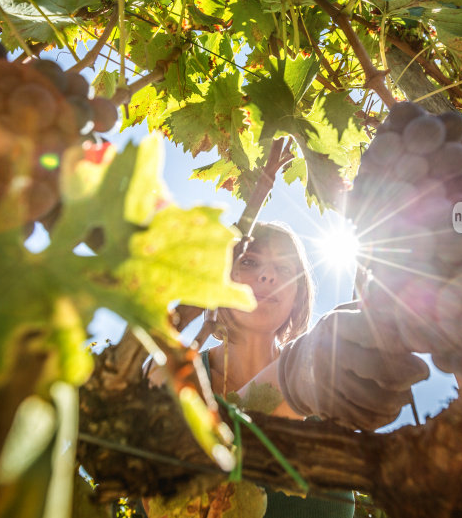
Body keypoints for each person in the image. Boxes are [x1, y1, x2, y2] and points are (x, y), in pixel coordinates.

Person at [145, 221, 356, 517]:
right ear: (219, 279)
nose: (268, 275)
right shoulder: (168, 370)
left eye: (284, 269)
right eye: (249, 261)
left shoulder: (325, 385)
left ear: (298, 294)